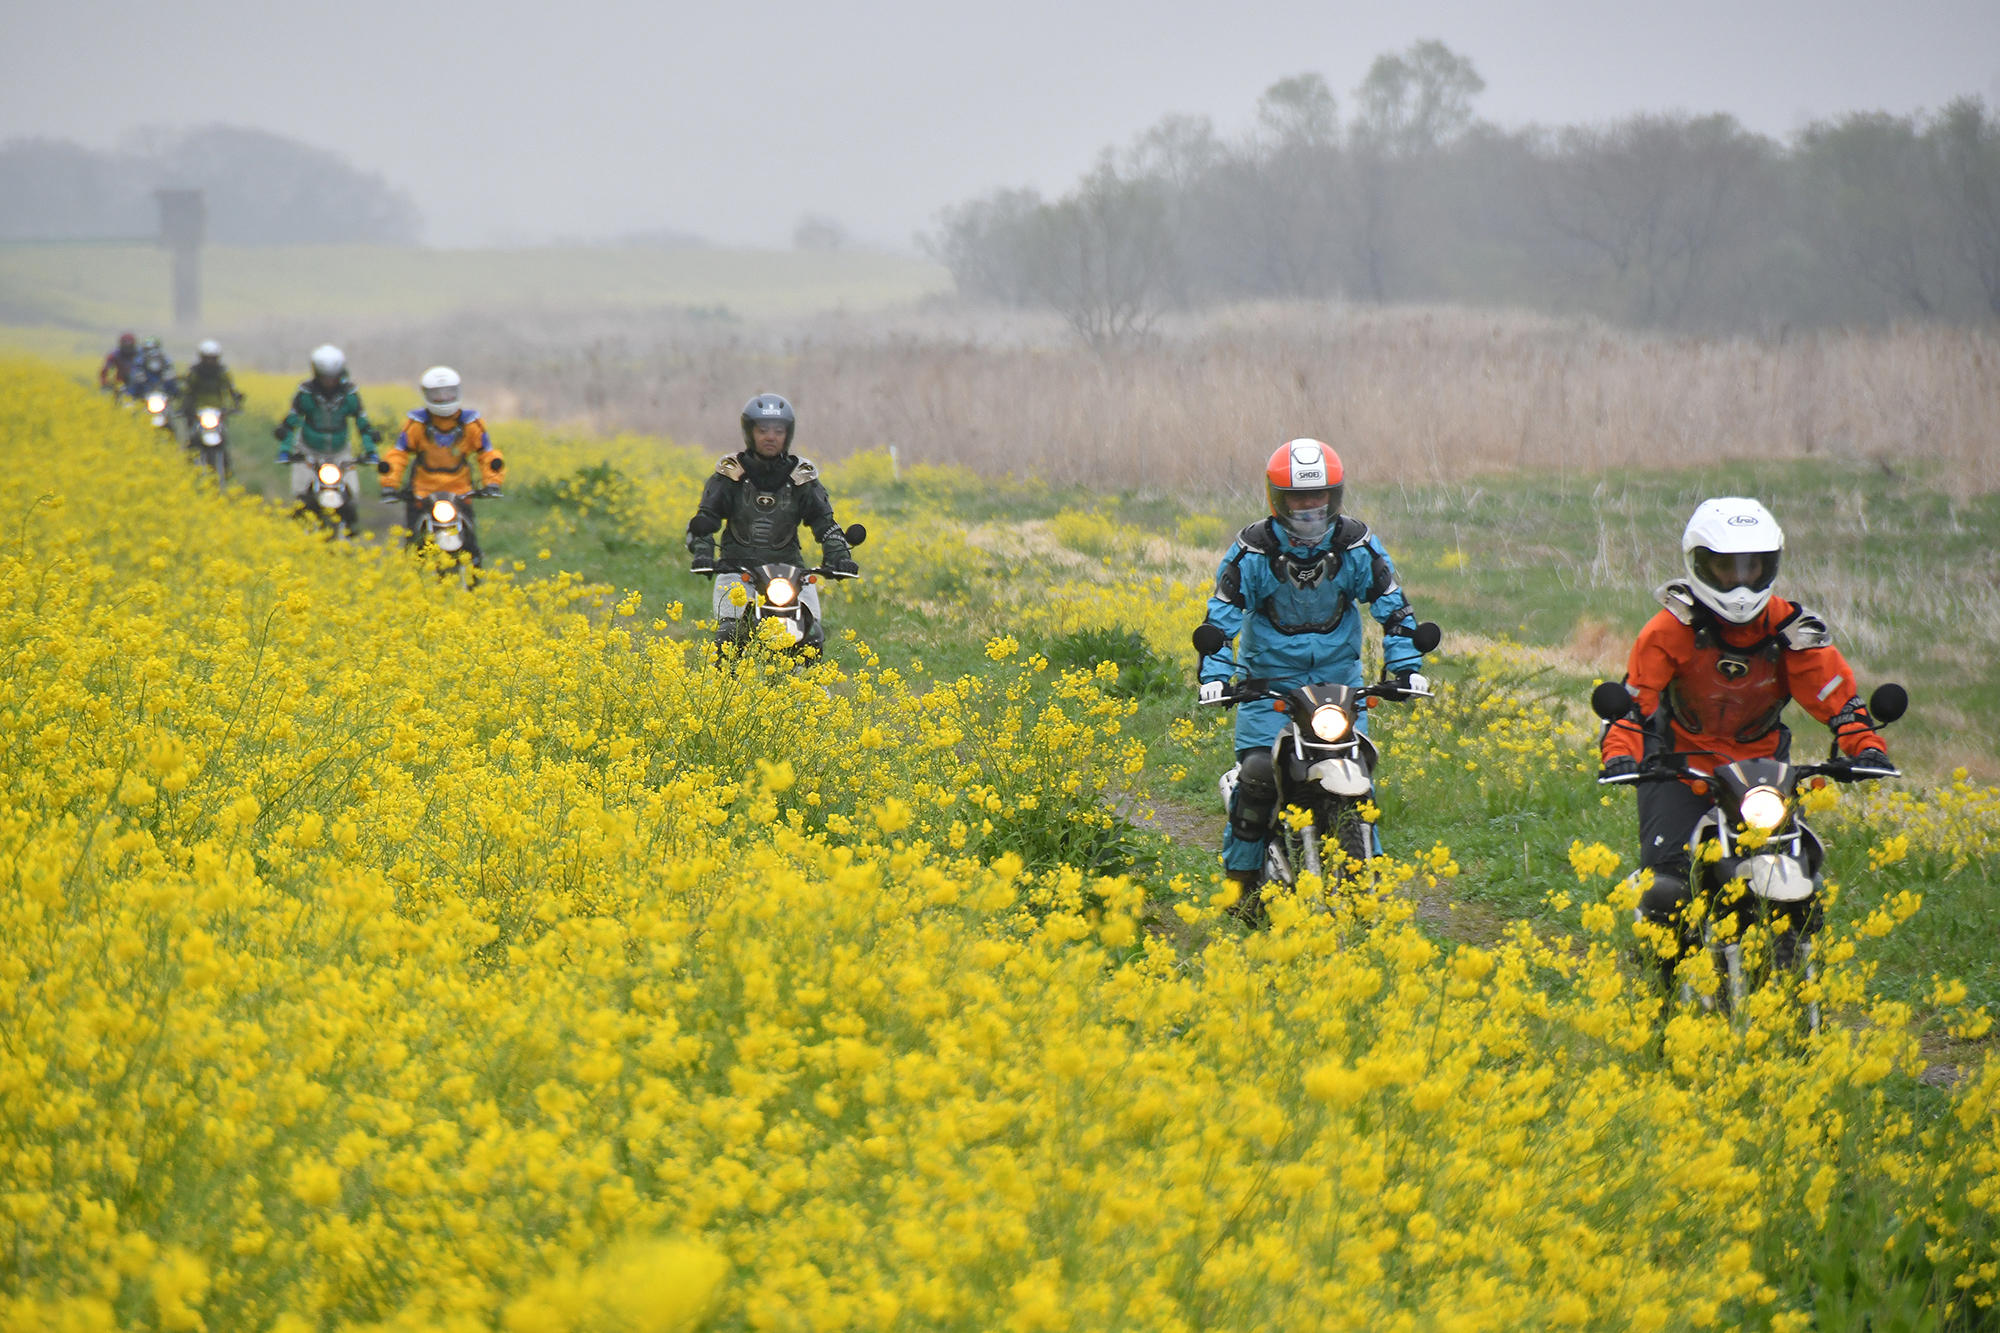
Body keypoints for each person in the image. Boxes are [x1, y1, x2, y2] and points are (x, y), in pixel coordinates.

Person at [1597, 497, 1891, 980]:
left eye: (1751, 567)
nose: (1739, 581)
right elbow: (1635, 701)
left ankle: (1794, 979)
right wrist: (1620, 756)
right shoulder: (1672, 627)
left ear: (1769, 564)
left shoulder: (1791, 632)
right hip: (1679, 765)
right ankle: (1663, 992)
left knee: (1802, 868)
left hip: (1760, 775)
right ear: (1699, 564)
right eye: (1725, 567)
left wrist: (1867, 747)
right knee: (1670, 885)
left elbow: (1838, 699)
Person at [1196, 439, 1432, 913]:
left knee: (1360, 775)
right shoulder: (1252, 552)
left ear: (1335, 496)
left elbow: (1396, 610)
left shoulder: (1357, 546)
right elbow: (1220, 621)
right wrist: (1217, 677)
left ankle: (1368, 885)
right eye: (1298, 498)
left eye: (1318, 496)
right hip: (1269, 689)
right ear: (1276, 500)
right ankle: (1240, 888)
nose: (1309, 508)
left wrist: (1406, 668)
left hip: (1339, 686)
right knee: (1259, 777)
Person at [684, 394, 857, 647]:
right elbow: (705, 520)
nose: (770, 436)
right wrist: (703, 551)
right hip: (736, 570)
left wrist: (840, 556)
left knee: (812, 635)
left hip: (791, 571)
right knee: (729, 636)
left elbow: (824, 522)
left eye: (778, 430)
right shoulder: (730, 473)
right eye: (763, 430)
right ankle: (726, 684)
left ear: (788, 434)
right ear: (749, 432)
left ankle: (811, 685)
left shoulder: (802, 476)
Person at [377, 366, 505, 566]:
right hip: (422, 494)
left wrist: (493, 481)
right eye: (437, 394)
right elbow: (398, 455)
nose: (444, 398)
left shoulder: (471, 423)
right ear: (426, 394)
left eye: (449, 392)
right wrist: (389, 483)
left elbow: (487, 454)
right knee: (414, 547)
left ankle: (473, 585)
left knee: (470, 545)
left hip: (460, 492)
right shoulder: (416, 423)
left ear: (458, 392)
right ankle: (415, 584)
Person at [275, 345, 380, 535]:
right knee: (300, 493)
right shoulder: (305, 394)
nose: (329, 381)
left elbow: (363, 424)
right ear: (316, 374)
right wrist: (285, 450)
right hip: (308, 449)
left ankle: (349, 530)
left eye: (333, 377)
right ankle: (300, 532)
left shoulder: (350, 395)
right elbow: (291, 423)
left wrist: (371, 451)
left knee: (351, 493)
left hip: (340, 451)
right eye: (325, 377)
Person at [178, 339, 245, 439]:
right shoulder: (195, 372)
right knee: (192, 435)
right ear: (202, 357)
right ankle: (192, 449)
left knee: (223, 435)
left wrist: (236, 401)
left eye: (212, 358)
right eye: (207, 358)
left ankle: (223, 453)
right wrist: (183, 407)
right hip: (197, 408)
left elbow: (229, 388)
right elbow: (188, 390)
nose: (210, 361)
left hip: (217, 409)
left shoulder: (222, 372)